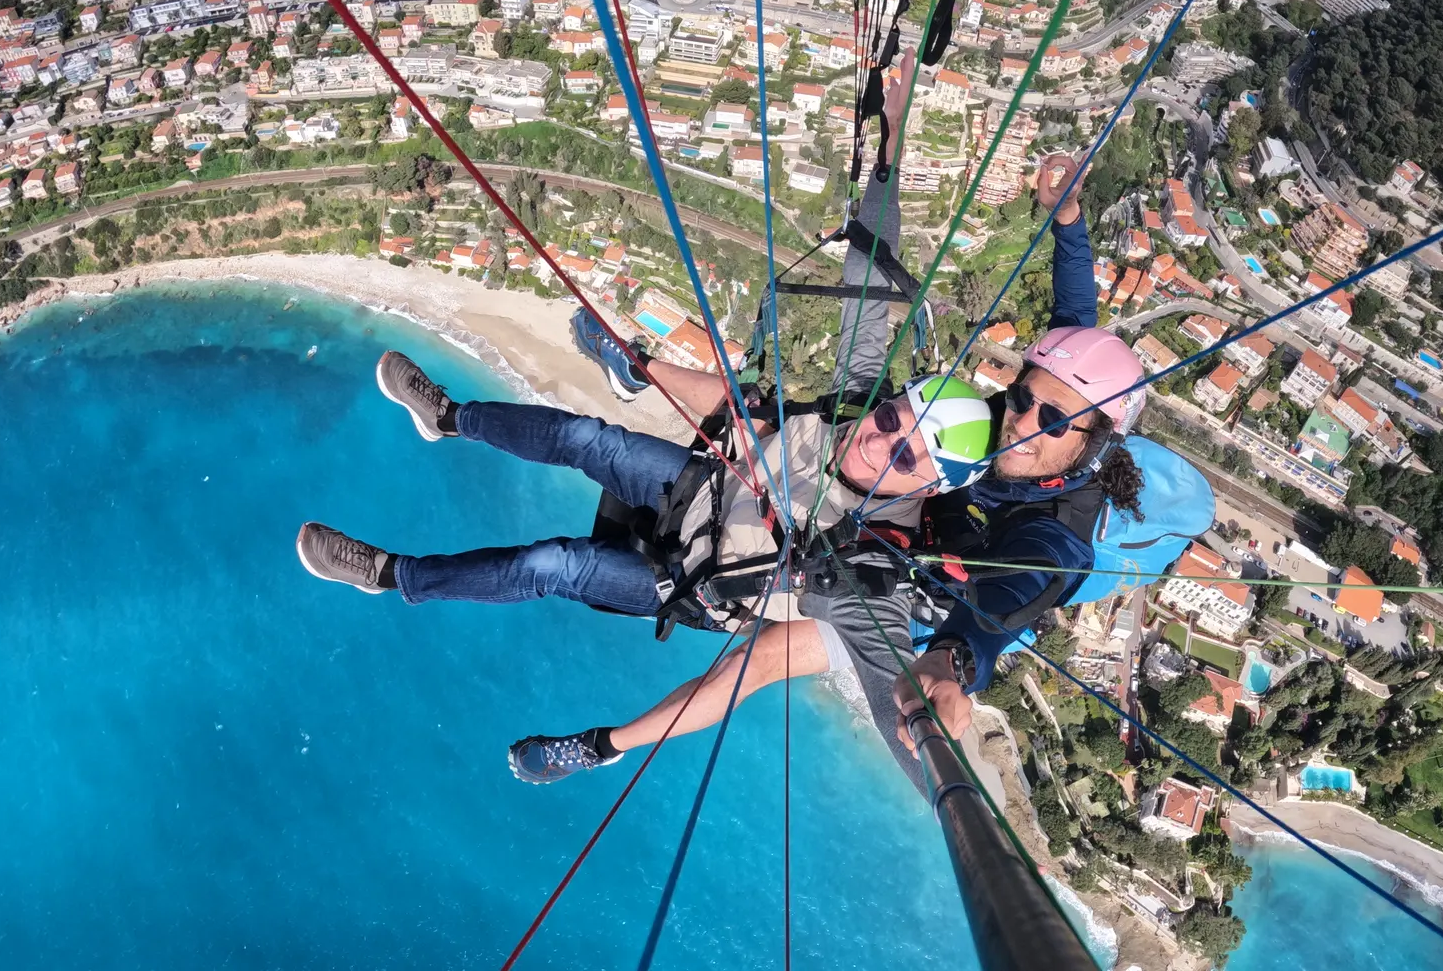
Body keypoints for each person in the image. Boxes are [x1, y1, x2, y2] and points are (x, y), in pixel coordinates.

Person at [296, 53, 1001, 788]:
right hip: (703, 485)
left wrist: (945, 767)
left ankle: (392, 576)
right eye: (894, 418)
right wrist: (888, 150)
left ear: (927, 485)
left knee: (553, 565)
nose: (880, 439)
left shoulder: (875, 570)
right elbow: (871, 276)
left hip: (691, 578)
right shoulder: (857, 402)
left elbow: (908, 716)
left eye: (908, 455)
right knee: (582, 437)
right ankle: (448, 416)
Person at [513, 152, 1151, 789]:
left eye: (1055, 422)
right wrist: (1066, 214)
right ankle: (637, 369)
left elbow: (1006, 602)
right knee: (782, 413)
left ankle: (603, 746)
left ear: (1091, 441)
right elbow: (1076, 316)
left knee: (770, 664)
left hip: (912, 590)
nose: (1024, 420)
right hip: (905, 489)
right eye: (1021, 398)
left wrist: (955, 660)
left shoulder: (1057, 534)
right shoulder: (1049, 396)